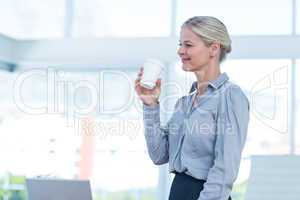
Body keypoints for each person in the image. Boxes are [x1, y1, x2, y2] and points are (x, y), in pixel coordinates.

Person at [135, 16, 250, 200]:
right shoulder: (184, 103)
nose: (180, 51)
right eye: (180, 44)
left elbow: (224, 171)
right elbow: (159, 155)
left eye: (188, 45)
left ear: (213, 48)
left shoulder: (230, 96)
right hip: (178, 192)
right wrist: (150, 105)